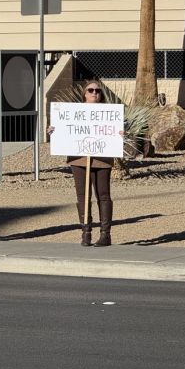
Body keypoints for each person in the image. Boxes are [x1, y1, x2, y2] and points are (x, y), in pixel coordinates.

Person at [48, 80, 122, 247]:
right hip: (78, 158)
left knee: (103, 195)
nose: (94, 93)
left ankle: (105, 234)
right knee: (82, 195)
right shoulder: (73, 112)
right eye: (91, 90)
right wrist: (53, 130)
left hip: (102, 158)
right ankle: (86, 231)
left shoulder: (109, 113)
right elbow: (62, 129)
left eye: (97, 90)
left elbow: (118, 132)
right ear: (85, 94)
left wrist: (121, 133)